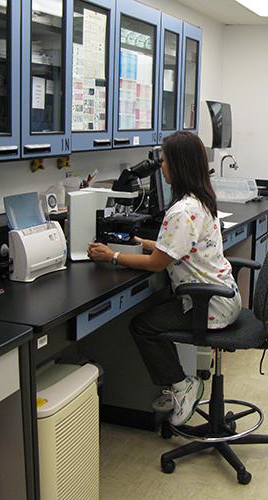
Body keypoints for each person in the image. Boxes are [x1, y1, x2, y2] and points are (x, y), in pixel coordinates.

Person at [87, 131, 241, 426]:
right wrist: (144, 243)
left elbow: (158, 264)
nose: (163, 166)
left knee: (143, 326)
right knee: (156, 315)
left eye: (166, 160)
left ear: (179, 165)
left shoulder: (181, 211)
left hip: (207, 306)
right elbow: (178, 249)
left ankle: (183, 386)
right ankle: (178, 385)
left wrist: (112, 256)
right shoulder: (201, 200)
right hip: (224, 298)